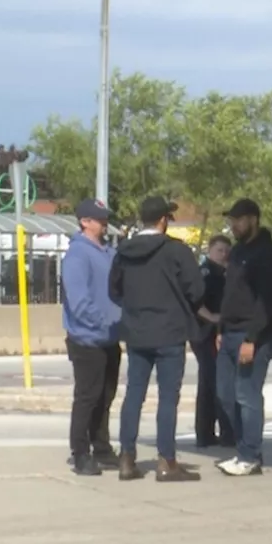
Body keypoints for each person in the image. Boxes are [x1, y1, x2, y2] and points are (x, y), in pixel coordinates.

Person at [110, 197, 205, 482]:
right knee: (167, 398)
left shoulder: (124, 251)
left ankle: (126, 458)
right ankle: (167, 460)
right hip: (170, 332)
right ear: (163, 220)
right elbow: (196, 289)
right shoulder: (176, 251)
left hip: (137, 332)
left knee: (134, 395)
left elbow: (113, 290)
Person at [216, 198, 272, 477]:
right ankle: (243, 448)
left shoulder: (267, 254)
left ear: (253, 220)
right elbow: (230, 294)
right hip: (229, 332)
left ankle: (250, 455)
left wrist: (252, 339)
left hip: (254, 335)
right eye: (232, 220)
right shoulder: (237, 253)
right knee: (224, 394)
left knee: (247, 395)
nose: (234, 224)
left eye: (240, 219)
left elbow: (268, 302)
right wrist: (221, 329)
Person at [62, 198, 123, 476]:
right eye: (99, 219)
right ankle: (80, 453)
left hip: (110, 339)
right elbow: (79, 301)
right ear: (85, 221)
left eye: (105, 218)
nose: (104, 223)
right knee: (87, 397)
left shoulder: (108, 252)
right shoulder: (77, 254)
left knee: (105, 397)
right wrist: (102, 322)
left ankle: (103, 449)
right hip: (86, 340)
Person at [194, 234, 235, 448]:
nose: (223, 254)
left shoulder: (225, 273)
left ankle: (208, 433)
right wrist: (211, 317)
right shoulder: (206, 273)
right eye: (220, 250)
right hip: (205, 332)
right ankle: (210, 433)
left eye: (227, 251)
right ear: (210, 251)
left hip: (219, 332)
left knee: (212, 382)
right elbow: (194, 300)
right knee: (214, 382)